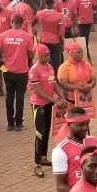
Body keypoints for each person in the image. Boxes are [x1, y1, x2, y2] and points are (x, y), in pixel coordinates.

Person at [51, 108, 97, 192]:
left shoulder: (94, 141)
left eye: (87, 124)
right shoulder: (60, 150)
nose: (85, 128)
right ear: (69, 124)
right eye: (80, 125)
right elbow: (61, 186)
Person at [0, 13, 34, 131]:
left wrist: (3, 62)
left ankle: (10, 124)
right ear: (22, 23)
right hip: (22, 71)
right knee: (20, 97)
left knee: (9, 96)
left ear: (12, 22)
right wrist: (28, 61)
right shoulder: (26, 36)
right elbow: (31, 54)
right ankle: (19, 123)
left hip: (7, 70)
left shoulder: (3, 35)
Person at [29, 44, 62, 177]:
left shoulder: (49, 67)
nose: (48, 57)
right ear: (39, 55)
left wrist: (61, 96)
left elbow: (53, 83)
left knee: (47, 130)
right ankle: (37, 164)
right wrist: (55, 100)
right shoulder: (34, 70)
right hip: (39, 105)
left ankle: (43, 157)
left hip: (48, 104)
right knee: (40, 133)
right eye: (45, 55)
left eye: (48, 55)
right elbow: (38, 91)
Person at [58, 41, 97, 118]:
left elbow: (94, 79)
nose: (81, 54)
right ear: (70, 53)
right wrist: (78, 88)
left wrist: (90, 85)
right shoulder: (64, 67)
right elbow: (63, 84)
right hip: (70, 100)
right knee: (72, 121)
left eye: (82, 52)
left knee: (85, 119)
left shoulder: (87, 65)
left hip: (85, 99)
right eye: (78, 52)